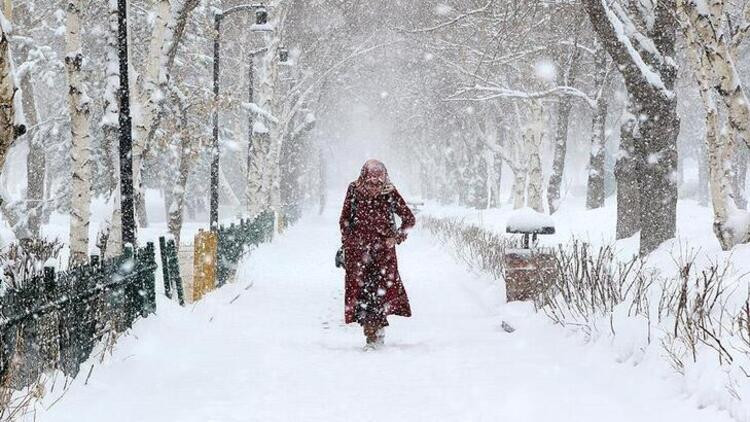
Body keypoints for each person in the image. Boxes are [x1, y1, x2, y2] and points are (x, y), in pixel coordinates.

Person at [339, 159, 416, 350]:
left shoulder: (389, 192)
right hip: (358, 255)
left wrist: (396, 238)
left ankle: (375, 335)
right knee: (363, 296)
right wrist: (350, 241)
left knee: (378, 295)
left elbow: (409, 219)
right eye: (370, 182)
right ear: (363, 177)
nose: (374, 186)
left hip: (383, 256)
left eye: (378, 182)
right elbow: (344, 219)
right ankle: (371, 334)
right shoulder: (354, 190)